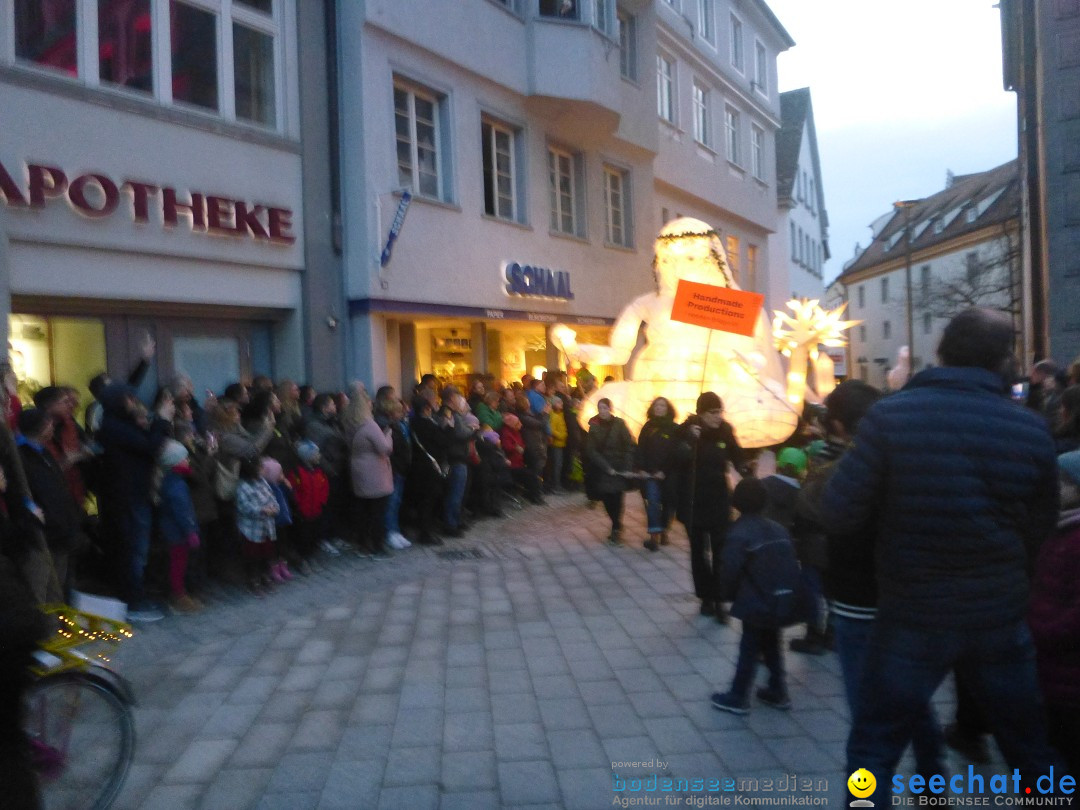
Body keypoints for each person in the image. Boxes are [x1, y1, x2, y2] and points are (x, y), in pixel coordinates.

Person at [823, 308, 1061, 798]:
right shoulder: (1031, 430)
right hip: (997, 615)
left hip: (912, 614)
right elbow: (1041, 533)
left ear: (941, 353)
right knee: (1030, 749)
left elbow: (839, 513)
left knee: (873, 748)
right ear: (1004, 362)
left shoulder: (889, 418)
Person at [711, 478, 796, 714]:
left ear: (736, 502)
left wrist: (727, 596)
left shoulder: (739, 533)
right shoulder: (779, 529)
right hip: (781, 596)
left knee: (749, 645)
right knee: (771, 642)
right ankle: (778, 690)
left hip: (756, 598)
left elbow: (730, 569)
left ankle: (738, 695)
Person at [97, 383, 172, 621]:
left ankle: (137, 592)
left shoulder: (120, 424)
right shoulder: (113, 427)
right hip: (128, 496)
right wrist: (162, 420)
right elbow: (150, 446)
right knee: (133, 548)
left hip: (135, 492)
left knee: (137, 547)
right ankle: (133, 601)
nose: (133, 403)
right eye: (129, 399)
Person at [675, 391, 748, 621]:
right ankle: (705, 597)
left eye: (719, 411)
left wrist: (746, 468)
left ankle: (719, 600)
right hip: (693, 499)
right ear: (701, 413)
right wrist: (689, 441)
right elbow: (675, 460)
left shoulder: (725, 431)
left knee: (720, 551)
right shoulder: (686, 430)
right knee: (698, 552)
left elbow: (737, 456)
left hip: (718, 498)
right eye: (712, 412)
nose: (718, 416)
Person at [1028, 449, 1080, 773]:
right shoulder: (1060, 528)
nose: (1055, 488)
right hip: (1051, 669)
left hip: (1066, 673)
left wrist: (1041, 632)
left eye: (1064, 482)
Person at [17, 408, 83, 600]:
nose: (53, 427)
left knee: (59, 580)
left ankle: (57, 621)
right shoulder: (22, 457)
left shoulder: (44, 452)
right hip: (44, 530)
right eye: (49, 424)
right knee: (43, 583)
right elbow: (24, 493)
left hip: (60, 526)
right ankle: (45, 624)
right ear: (41, 427)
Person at [345, 384, 394, 557]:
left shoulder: (351, 424)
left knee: (364, 511)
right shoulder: (370, 426)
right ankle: (377, 545)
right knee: (377, 511)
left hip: (358, 470)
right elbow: (384, 449)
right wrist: (388, 434)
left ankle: (364, 544)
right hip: (374, 472)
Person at [156, 439, 202, 613]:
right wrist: (190, 531)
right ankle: (178, 595)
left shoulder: (172, 480)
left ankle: (178, 592)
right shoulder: (176, 484)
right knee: (178, 563)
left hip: (173, 531)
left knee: (178, 562)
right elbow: (182, 510)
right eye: (185, 458)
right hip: (177, 533)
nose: (188, 461)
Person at [585, 397, 635, 545]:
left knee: (618, 499)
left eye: (605, 408)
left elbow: (629, 445)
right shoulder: (594, 426)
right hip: (603, 469)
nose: (602, 411)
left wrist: (627, 465)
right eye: (600, 408)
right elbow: (591, 450)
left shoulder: (619, 424)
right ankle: (616, 524)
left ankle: (616, 527)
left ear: (610, 409)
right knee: (607, 499)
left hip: (619, 467)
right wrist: (606, 467)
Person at [636, 397, 679, 551]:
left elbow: (675, 453)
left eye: (662, 405)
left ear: (668, 409)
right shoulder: (647, 427)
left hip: (669, 475)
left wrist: (664, 471)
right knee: (653, 502)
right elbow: (640, 449)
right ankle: (654, 536)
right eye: (657, 405)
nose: (659, 408)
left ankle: (664, 530)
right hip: (650, 474)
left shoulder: (675, 428)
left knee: (669, 505)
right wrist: (640, 467)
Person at [235, 456, 279, 594]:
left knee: (267, 552)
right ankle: (253, 579)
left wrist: (274, 508)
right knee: (253, 555)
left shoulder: (263, 482)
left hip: (266, 526)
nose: (263, 469)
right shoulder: (242, 486)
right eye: (259, 467)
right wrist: (262, 510)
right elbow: (244, 507)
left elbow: (272, 497)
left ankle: (265, 574)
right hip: (252, 529)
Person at [288, 440, 330, 562]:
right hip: (303, 512)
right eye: (316, 454)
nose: (319, 456)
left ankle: (312, 553)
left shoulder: (319, 471)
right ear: (307, 457)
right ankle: (303, 557)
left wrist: (322, 502)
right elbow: (294, 490)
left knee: (314, 533)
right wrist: (299, 505)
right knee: (303, 535)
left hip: (317, 510)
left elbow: (324, 486)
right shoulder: (297, 473)